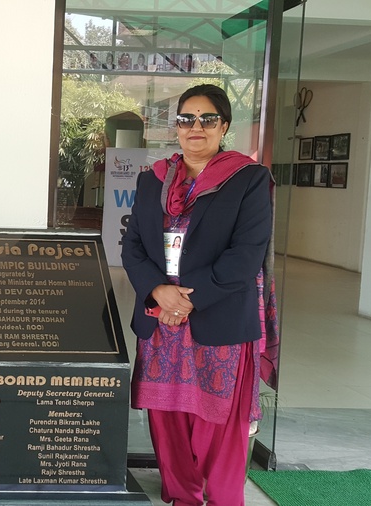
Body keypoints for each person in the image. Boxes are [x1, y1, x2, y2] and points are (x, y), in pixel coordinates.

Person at [121, 84, 279, 506]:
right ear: (176, 128)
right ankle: (182, 495)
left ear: (223, 126)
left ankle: (223, 497)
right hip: (160, 318)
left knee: (218, 420)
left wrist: (186, 300)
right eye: (186, 118)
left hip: (218, 315)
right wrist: (158, 291)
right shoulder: (152, 181)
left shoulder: (248, 179)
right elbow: (133, 245)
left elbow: (246, 254)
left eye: (208, 119)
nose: (196, 127)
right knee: (167, 415)